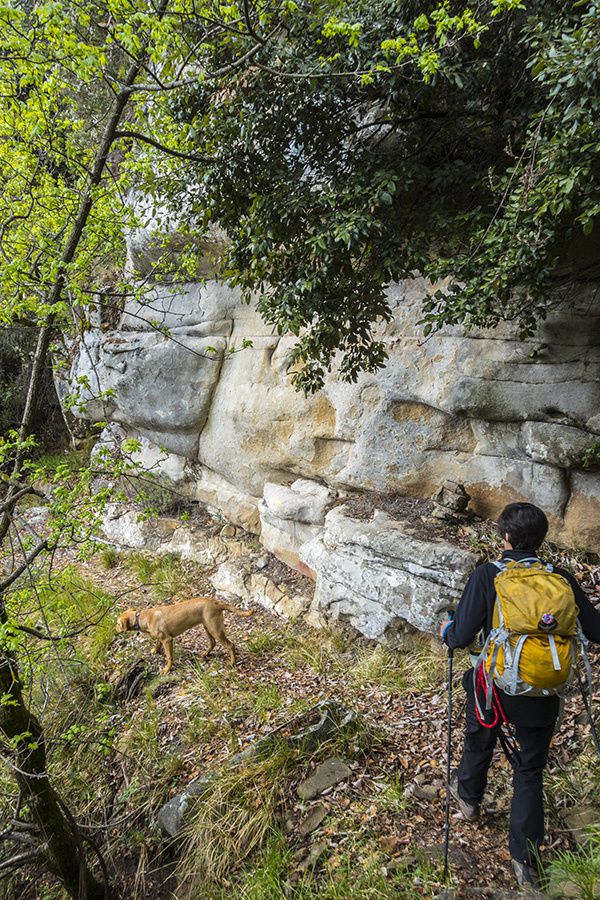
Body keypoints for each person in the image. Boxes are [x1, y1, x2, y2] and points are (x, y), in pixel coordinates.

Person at [439, 502, 600, 888]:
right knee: (530, 770)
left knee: (479, 726)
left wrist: (447, 629)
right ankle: (525, 863)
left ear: (504, 537)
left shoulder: (488, 576)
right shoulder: (559, 577)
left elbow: (461, 637)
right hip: (543, 689)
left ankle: (469, 798)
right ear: (541, 539)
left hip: (496, 688)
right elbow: (595, 631)